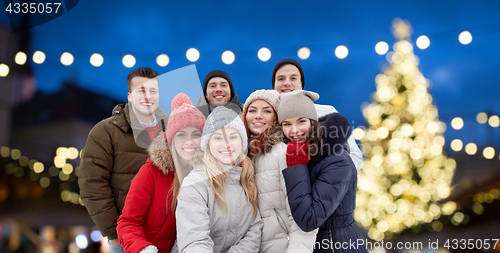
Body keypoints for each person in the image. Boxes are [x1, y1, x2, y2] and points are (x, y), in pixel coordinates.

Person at [78, 67, 168, 253]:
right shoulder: (105, 132)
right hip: (126, 233)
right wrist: (112, 231)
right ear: (129, 95)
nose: (147, 96)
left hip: (168, 231)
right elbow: (92, 183)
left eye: (153, 91)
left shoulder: (173, 130)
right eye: (140, 91)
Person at [278, 90, 368, 253]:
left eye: (301, 121)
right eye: (287, 124)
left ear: (313, 122)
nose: (294, 130)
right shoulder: (307, 152)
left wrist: (295, 166)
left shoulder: (337, 160)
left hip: (335, 244)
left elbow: (309, 219)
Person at [117, 93, 205, 253]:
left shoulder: (206, 175)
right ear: (171, 139)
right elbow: (128, 222)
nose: (189, 141)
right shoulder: (151, 172)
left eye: (196, 134)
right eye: (181, 134)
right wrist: (143, 248)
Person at [175, 106, 263, 253]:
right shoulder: (195, 183)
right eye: (218, 138)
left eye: (233, 137)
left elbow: (254, 230)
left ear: (242, 141)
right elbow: (194, 241)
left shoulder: (247, 179)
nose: (226, 144)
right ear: (208, 144)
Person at [243, 90, 317, 253]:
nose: (258, 116)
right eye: (252, 110)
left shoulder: (284, 153)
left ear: (276, 118)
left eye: (267, 111)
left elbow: (302, 219)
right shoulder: (243, 156)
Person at [271, 58, 363, 171]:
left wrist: (327, 180)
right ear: (274, 87)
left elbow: (354, 156)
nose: (287, 83)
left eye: (293, 78)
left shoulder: (327, 113)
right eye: (281, 79)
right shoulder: (268, 118)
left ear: (301, 85)